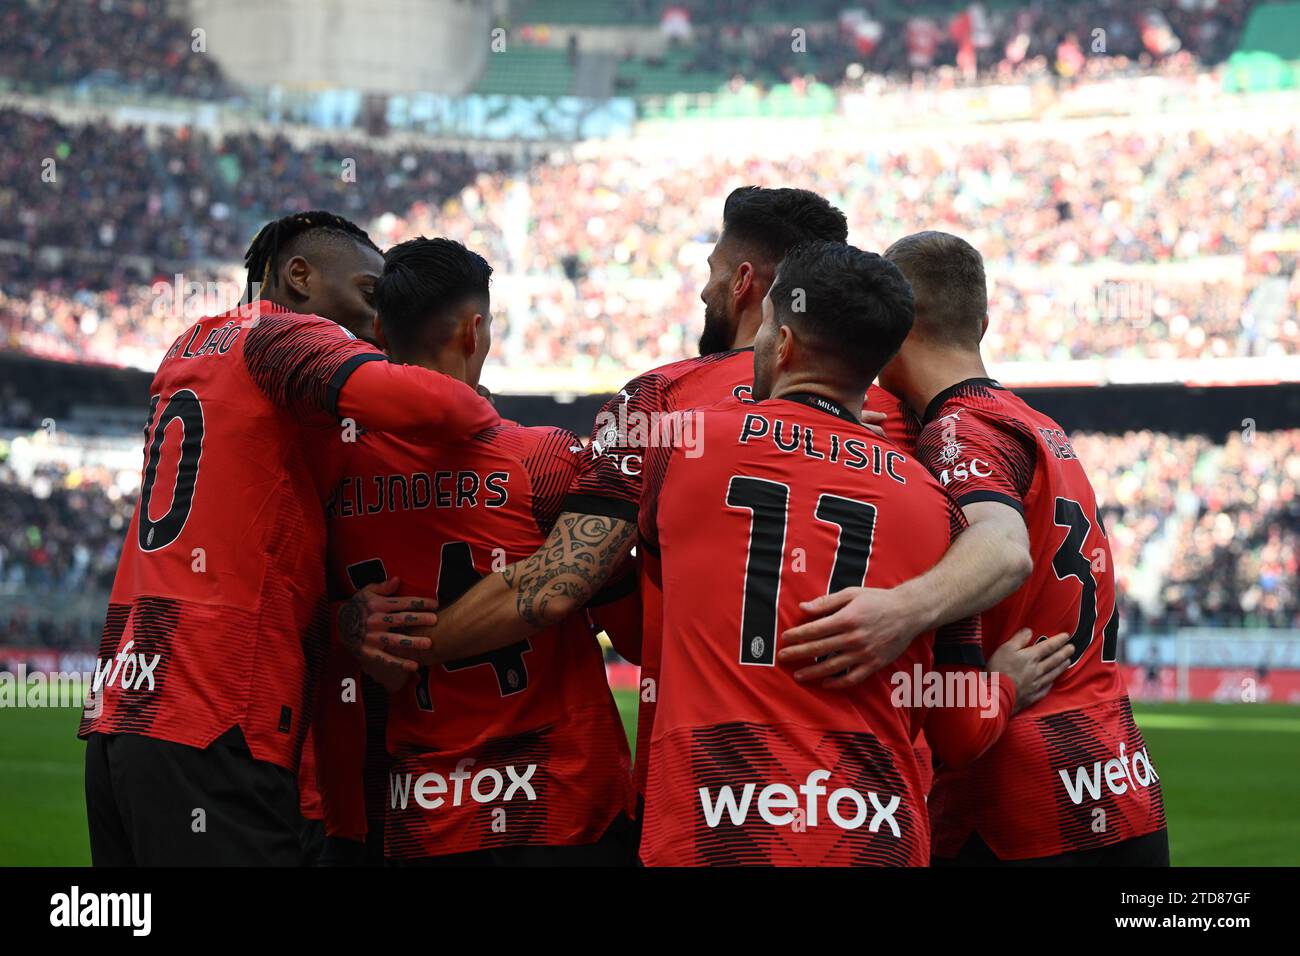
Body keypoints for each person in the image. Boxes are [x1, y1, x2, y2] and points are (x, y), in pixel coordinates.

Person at [366, 187, 1030, 821]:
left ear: (746, 284)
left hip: (707, 797)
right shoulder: (909, 417)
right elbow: (995, 555)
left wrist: (401, 644)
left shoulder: (662, 409)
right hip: (872, 801)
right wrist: (916, 616)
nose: (704, 288)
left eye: (713, 271)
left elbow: (559, 586)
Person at [80, 211, 500, 866]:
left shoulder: (193, 346)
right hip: (214, 707)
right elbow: (451, 406)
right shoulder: (281, 334)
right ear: (298, 277)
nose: (379, 317)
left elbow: (257, 539)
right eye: (369, 292)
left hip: (130, 704)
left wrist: (340, 620)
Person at [634, 240, 1071, 865]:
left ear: (782, 343)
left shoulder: (684, 445)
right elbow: (957, 725)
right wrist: (999, 688)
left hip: (715, 826)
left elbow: (640, 600)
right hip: (871, 830)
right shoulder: (935, 502)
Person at [315, 237, 636, 865]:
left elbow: (297, 622)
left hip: (426, 812)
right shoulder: (541, 459)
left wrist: (347, 625)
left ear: (379, 329)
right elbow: (635, 630)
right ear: (474, 330)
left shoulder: (328, 477)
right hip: (563, 801)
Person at [877, 230, 1169, 866]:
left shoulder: (958, 433)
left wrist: (894, 614)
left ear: (890, 327)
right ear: (982, 322)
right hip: (1119, 777)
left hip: (1018, 802)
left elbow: (1002, 549)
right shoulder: (1039, 426)